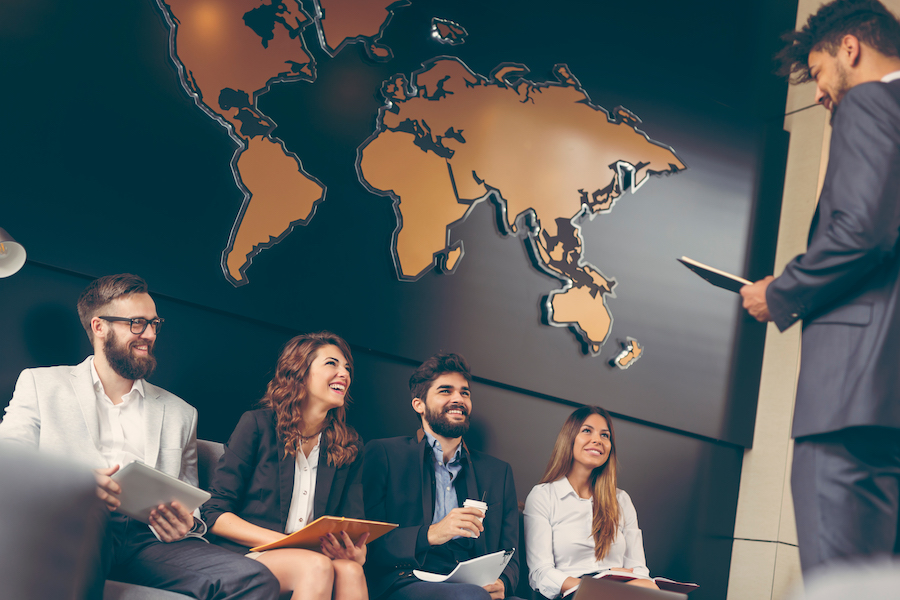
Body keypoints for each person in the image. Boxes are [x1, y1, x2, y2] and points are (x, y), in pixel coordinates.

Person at [740, 0, 900, 573]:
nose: (820, 94)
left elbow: (862, 229)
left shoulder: (872, 104)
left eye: (821, 72)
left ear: (851, 49)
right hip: (889, 402)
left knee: (841, 582)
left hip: (848, 400)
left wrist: (780, 292)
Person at [0, 273, 279, 600]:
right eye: (136, 323)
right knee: (93, 514)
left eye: (154, 323)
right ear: (99, 326)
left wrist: (185, 524)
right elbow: (10, 466)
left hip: (147, 543)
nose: (149, 334)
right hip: (73, 527)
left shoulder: (180, 413)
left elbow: (190, 500)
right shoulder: (41, 385)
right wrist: (77, 482)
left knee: (256, 580)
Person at [202, 332, 368, 600]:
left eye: (347, 368)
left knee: (351, 570)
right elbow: (214, 514)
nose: (344, 374)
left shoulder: (350, 444)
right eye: (332, 364)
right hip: (246, 554)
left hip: (312, 557)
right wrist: (284, 544)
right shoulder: (256, 425)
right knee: (316, 565)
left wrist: (357, 551)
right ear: (300, 372)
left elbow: (352, 525)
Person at [362, 352, 521, 600]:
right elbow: (368, 543)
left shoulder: (498, 472)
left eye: (464, 392)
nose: (458, 398)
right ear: (419, 404)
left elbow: (510, 554)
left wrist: (504, 582)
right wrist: (432, 533)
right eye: (446, 391)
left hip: (476, 587)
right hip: (406, 581)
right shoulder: (384, 454)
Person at [523, 406, 656, 599]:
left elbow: (639, 569)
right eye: (587, 431)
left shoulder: (622, 500)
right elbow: (540, 573)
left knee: (651, 587)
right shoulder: (543, 495)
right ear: (569, 438)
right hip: (573, 593)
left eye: (605, 435)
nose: (597, 440)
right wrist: (593, 589)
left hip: (620, 593)